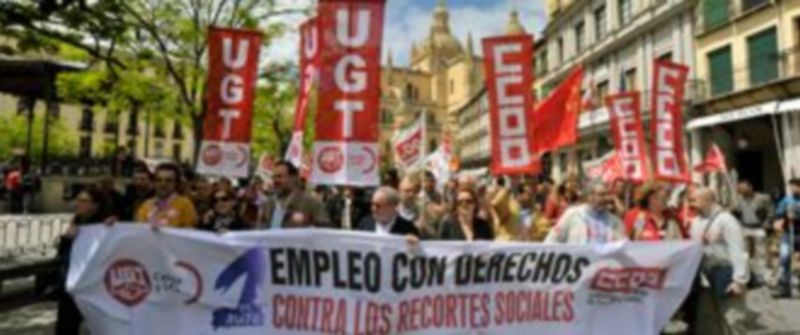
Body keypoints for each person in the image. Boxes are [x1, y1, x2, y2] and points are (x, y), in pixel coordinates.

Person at [688, 187, 748, 335]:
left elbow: (738, 251)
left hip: (726, 275)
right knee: (707, 322)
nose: (691, 204)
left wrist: (739, 281)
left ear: (707, 200)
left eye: (694, 200)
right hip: (705, 278)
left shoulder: (726, 220)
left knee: (732, 320)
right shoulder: (695, 221)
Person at [56, 187, 106, 335]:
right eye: (77, 200)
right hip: (71, 283)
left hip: (92, 286)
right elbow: (63, 253)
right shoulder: (77, 221)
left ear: (96, 206)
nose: (78, 204)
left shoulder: (102, 226)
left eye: (84, 201)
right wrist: (67, 238)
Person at [544, 182, 626, 244]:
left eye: (604, 195)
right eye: (599, 195)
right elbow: (552, 239)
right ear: (589, 196)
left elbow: (624, 245)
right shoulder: (572, 214)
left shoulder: (615, 221)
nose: (603, 199)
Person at [261, 161, 331, 229]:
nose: (275, 181)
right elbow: (261, 229)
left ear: (293, 178)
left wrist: (308, 222)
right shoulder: (269, 203)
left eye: (279, 177)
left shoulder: (311, 202)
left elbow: (324, 230)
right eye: (274, 177)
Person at [731, 179, 773, 280]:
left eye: (743, 188)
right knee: (744, 253)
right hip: (744, 227)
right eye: (740, 188)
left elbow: (771, 212)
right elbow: (734, 213)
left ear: (750, 187)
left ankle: (762, 275)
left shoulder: (763, 198)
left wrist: (766, 223)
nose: (741, 190)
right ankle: (747, 275)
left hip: (758, 227)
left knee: (761, 253)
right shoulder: (738, 200)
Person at [135, 163, 197, 228]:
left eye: (169, 180)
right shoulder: (145, 206)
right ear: (154, 182)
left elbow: (188, 233)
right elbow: (139, 230)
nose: (163, 184)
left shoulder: (185, 205)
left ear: (176, 183)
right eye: (159, 180)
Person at [623, 181, 688, 241]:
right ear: (651, 198)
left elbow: (685, 242)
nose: (666, 200)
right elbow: (631, 240)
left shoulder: (672, 218)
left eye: (667, 197)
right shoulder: (639, 216)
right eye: (663, 197)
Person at [356, 186, 421, 240]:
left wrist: (414, 245)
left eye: (378, 206)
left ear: (392, 207)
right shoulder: (364, 224)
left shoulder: (408, 229)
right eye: (372, 204)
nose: (373, 208)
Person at [774, 178, 800, 298]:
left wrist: (796, 216)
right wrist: (783, 215)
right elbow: (778, 212)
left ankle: (796, 285)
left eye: (795, 186)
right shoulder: (787, 200)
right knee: (784, 257)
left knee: (798, 261)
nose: (793, 189)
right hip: (788, 233)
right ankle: (783, 285)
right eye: (791, 187)